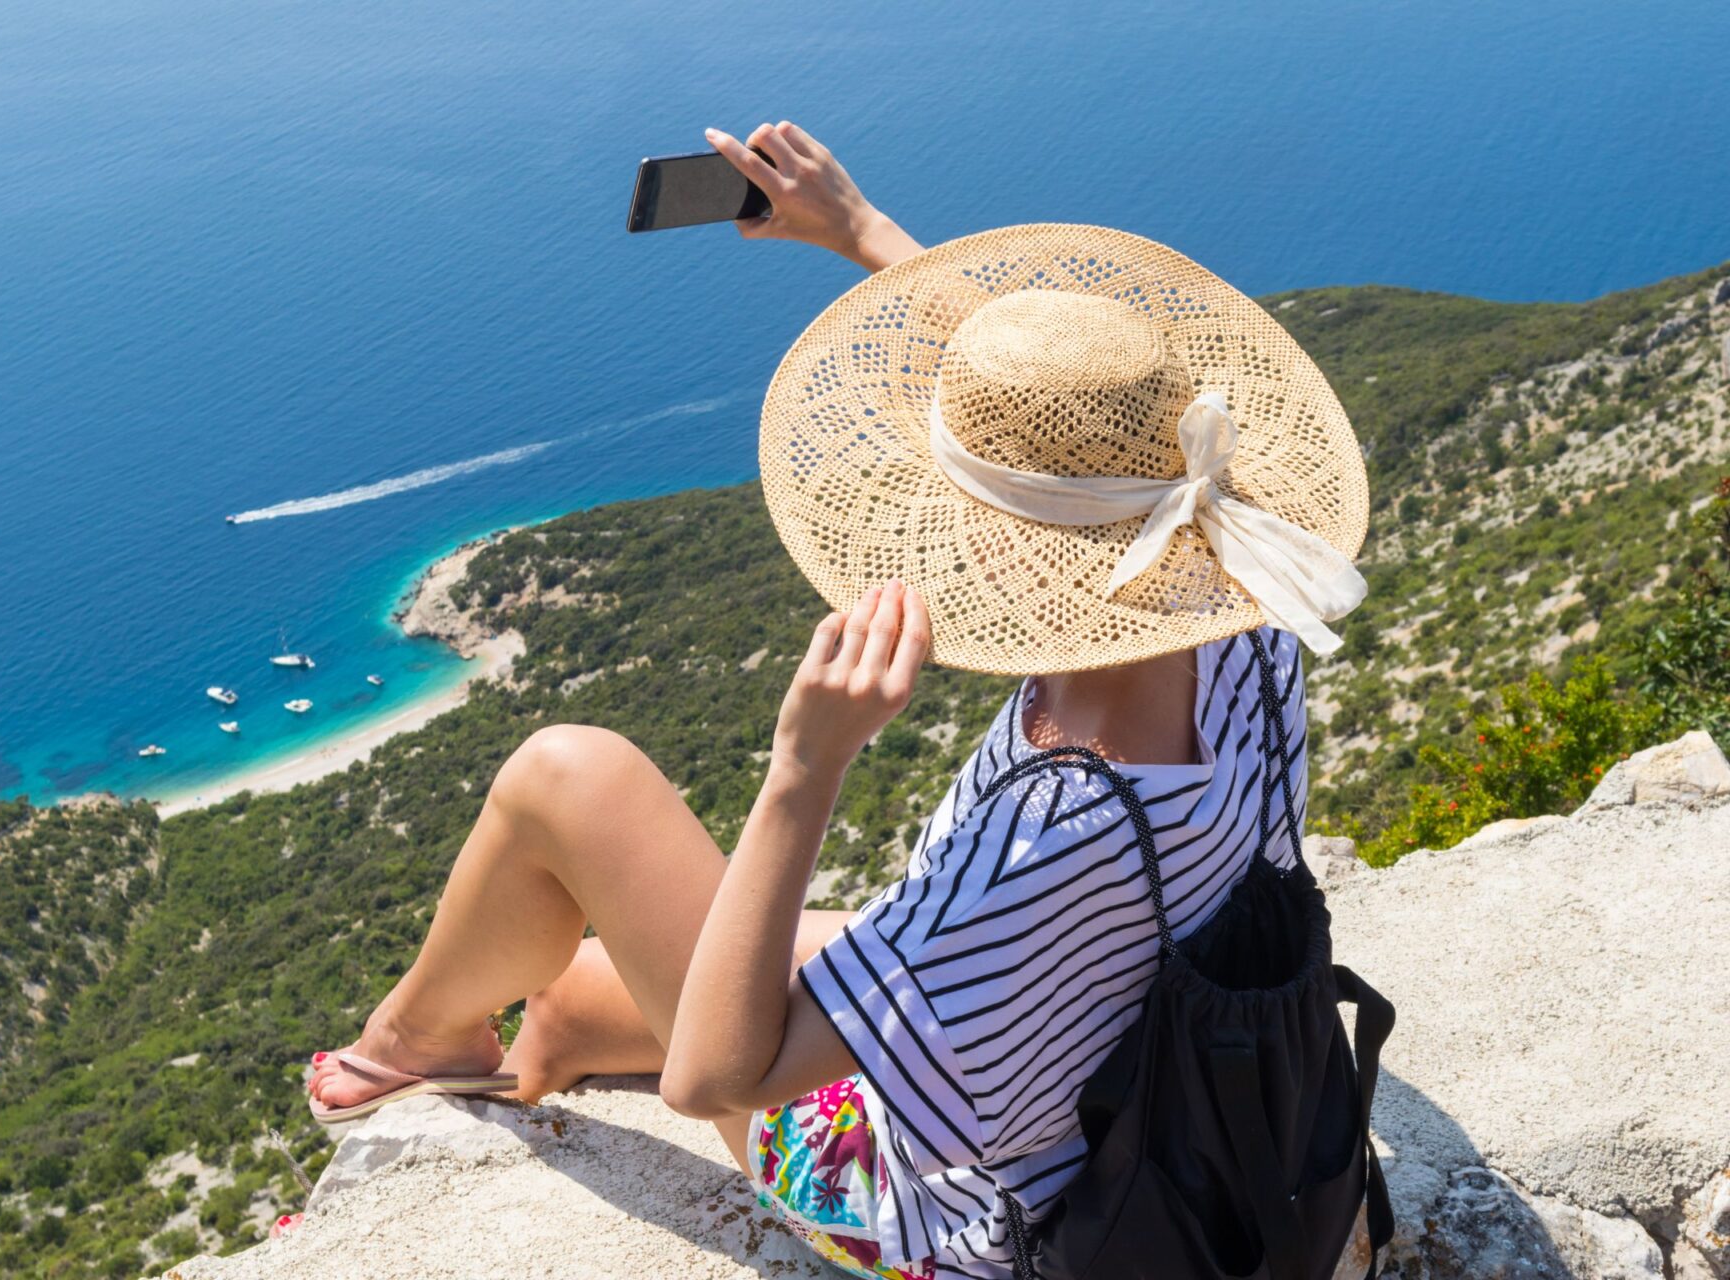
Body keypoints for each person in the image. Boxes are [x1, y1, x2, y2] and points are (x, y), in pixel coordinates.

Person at [307, 122, 1369, 1279]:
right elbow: (1074, 439)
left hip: (973, 1221)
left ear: (1006, 558)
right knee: (579, 989)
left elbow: (711, 1075)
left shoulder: (1048, 831)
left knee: (570, 773)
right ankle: (527, 1033)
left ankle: (415, 1040)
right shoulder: (1251, 600)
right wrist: (861, 232)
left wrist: (803, 771)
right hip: (1163, 1073)